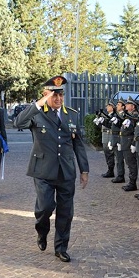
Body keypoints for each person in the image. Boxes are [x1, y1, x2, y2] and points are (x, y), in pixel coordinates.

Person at [14, 75, 89, 263]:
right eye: (53, 95)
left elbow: (78, 144)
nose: (58, 99)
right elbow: (18, 123)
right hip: (42, 170)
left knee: (66, 212)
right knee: (45, 207)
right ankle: (42, 231)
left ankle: (61, 247)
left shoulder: (71, 114)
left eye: (61, 95)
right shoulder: (36, 113)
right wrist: (39, 103)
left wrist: (84, 170)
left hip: (66, 170)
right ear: (45, 95)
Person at [120, 96, 139, 191]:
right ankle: (131, 182)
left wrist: (133, 143)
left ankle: (133, 183)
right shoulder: (129, 115)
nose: (126, 105)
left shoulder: (135, 115)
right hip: (125, 141)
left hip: (129, 141)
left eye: (128, 104)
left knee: (131, 163)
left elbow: (135, 130)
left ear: (133, 106)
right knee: (128, 163)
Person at [94, 100, 115, 178]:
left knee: (109, 153)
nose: (107, 107)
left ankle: (111, 170)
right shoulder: (108, 115)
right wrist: (99, 123)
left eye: (108, 106)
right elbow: (103, 127)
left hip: (109, 135)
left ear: (112, 107)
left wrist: (103, 121)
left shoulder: (113, 115)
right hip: (105, 134)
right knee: (107, 153)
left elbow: (110, 125)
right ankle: (109, 169)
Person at [110, 98, 126, 183]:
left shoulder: (124, 115)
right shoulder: (117, 115)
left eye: (119, 105)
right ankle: (119, 175)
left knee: (120, 159)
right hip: (115, 138)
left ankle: (120, 176)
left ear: (123, 107)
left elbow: (122, 129)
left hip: (119, 138)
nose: (116, 106)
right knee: (117, 158)